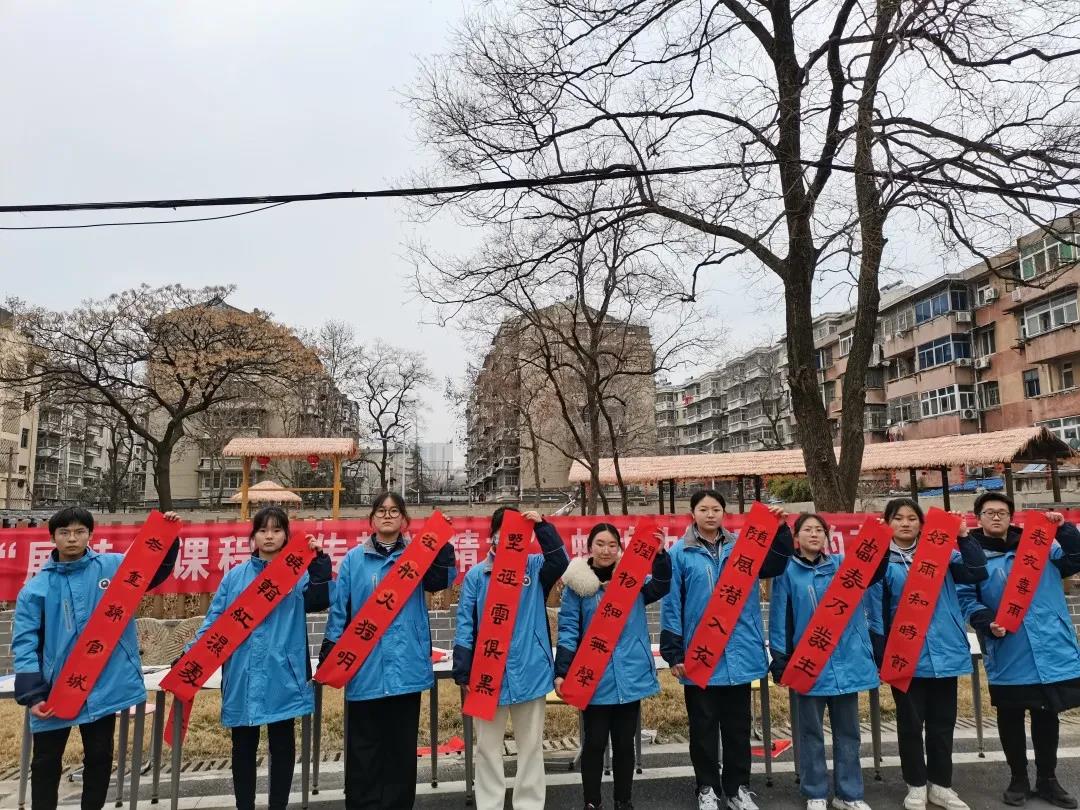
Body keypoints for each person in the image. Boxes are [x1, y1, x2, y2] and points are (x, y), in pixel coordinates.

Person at [12, 506, 181, 810]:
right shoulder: (35, 589)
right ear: (53, 537)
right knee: (46, 762)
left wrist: (169, 538)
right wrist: (32, 693)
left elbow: (153, 571)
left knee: (100, 757)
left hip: (104, 686)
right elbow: (25, 643)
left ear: (91, 534)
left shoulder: (114, 567)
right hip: (55, 691)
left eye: (79, 531)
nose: (72, 539)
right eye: (64, 532)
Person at [187, 506, 331, 810]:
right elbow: (213, 622)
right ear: (253, 536)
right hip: (243, 672)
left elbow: (319, 600)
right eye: (263, 530)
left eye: (277, 530)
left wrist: (319, 563)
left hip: (284, 673)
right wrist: (190, 657)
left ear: (286, 536)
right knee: (243, 747)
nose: (269, 536)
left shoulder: (298, 574)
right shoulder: (234, 578)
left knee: (282, 745)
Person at [321, 491, 456, 810]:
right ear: (371, 519)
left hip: (406, 668)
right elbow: (340, 610)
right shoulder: (354, 559)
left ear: (405, 520)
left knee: (400, 749)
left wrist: (442, 542)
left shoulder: (417, 558)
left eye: (395, 511)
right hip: (364, 669)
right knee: (363, 749)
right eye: (381, 510)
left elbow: (441, 580)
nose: (387, 515)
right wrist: (331, 654)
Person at [660, 489, 793, 810]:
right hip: (700, 656)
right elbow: (671, 604)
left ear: (724, 513)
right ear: (692, 514)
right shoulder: (679, 554)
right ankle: (707, 787)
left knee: (738, 728)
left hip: (739, 653)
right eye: (703, 509)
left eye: (716, 509)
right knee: (703, 727)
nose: (710, 514)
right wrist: (674, 652)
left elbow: (776, 564)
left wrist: (781, 530)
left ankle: (737, 788)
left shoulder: (743, 548)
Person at [957, 492, 1080, 808]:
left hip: (1048, 648)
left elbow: (1074, 561)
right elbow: (967, 599)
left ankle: (1048, 780)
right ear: (978, 518)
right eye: (989, 512)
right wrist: (987, 623)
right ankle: (1018, 778)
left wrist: (1065, 529)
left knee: (1046, 715)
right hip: (1008, 647)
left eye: (1002, 512)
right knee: (1010, 716)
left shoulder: (1039, 545)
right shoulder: (971, 555)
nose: (996, 517)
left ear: (1011, 517)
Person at [867, 498, 986, 810]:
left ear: (922, 524)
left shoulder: (939, 554)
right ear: (887, 523)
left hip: (944, 652)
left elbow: (977, 571)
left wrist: (963, 535)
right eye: (898, 518)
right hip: (905, 656)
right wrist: (881, 655)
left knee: (942, 723)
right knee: (909, 724)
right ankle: (916, 784)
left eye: (912, 518)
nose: (906, 524)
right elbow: (875, 610)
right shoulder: (882, 561)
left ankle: (942, 785)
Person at [453, 508, 570, 810]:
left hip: (529, 671)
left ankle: (528, 804)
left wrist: (542, 526)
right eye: (500, 531)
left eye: (514, 531)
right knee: (487, 748)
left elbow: (560, 561)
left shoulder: (534, 567)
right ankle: (489, 804)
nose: (506, 538)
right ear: (491, 535)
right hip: (487, 674)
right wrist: (464, 671)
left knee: (530, 746)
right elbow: (466, 623)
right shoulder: (478, 575)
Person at [769, 513, 886, 810]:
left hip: (848, 662)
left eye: (819, 530)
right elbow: (780, 618)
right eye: (807, 530)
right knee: (810, 734)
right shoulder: (786, 572)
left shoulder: (844, 567)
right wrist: (781, 659)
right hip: (809, 665)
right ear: (796, 536)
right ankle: (816, 792)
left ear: (827, 535)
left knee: (849, 734)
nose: (813, 535)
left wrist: (881, 541)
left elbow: (874, 572)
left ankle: (849, 794)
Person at [555, 522, 672, 810]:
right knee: (594, 743)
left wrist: (658, 556)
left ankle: (624, 801)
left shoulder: (631, 580)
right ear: (589, 546)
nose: (606, 550)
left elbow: (661, 585)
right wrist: (562, 672)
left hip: (629, 674)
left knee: (623, 744)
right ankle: (592, 802)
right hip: (593, 676)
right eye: (600, 544)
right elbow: (568, 629)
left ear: (620, 548)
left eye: (612, 545)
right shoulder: (577, 585)